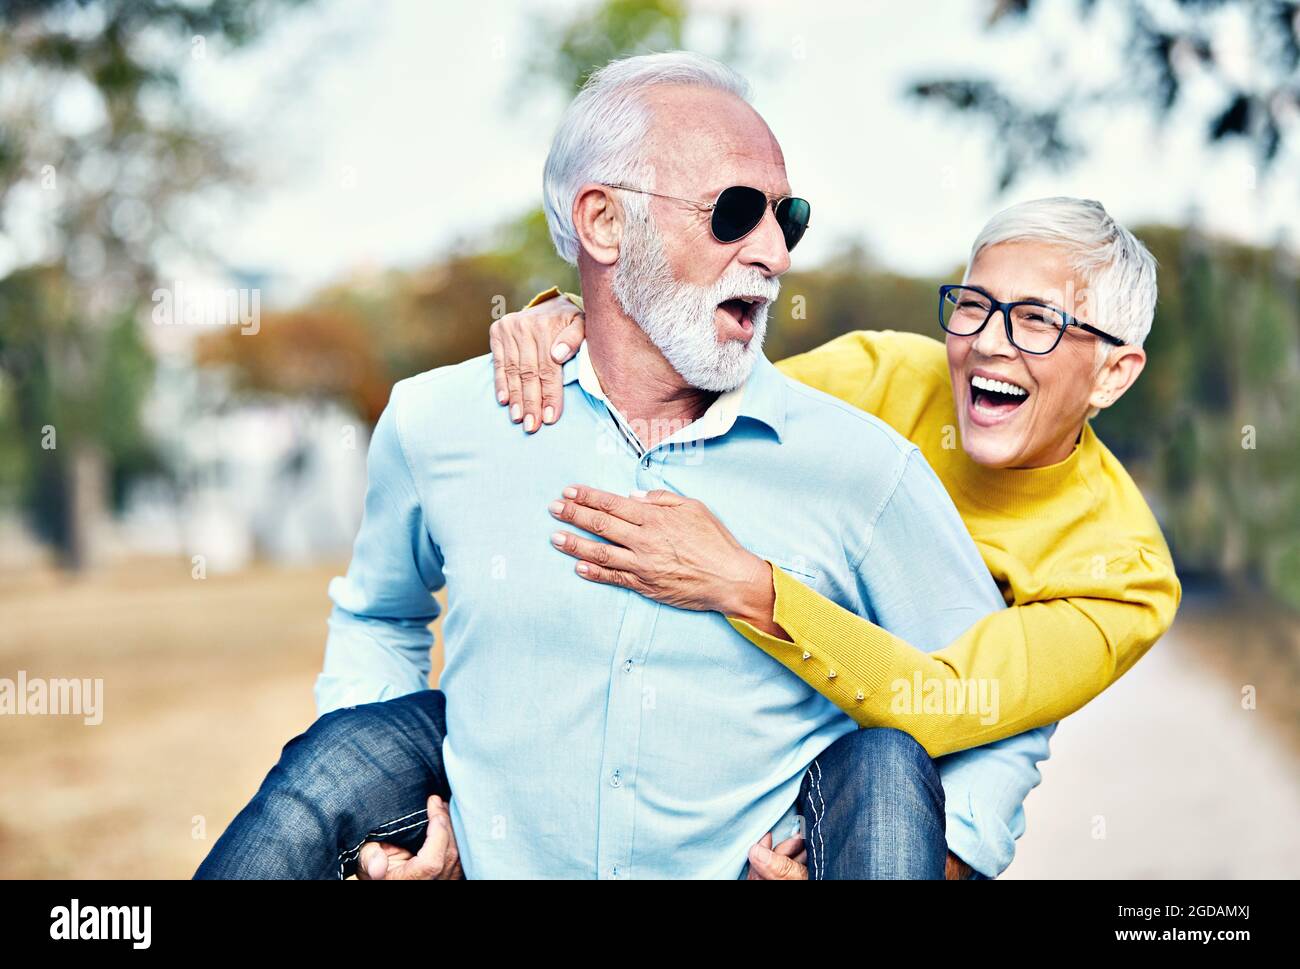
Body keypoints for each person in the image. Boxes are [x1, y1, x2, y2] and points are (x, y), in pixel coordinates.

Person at [196, 51, 1053, 880]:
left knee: (889, 759)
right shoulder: (437, 424)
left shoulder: (861, 468)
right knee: (340, 755)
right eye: (735, 211)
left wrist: (942, 858)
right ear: (604, 221)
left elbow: (995, 701)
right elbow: (381, 617)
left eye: (786, 219)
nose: (775, 253)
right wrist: (416, 819)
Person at [488, 196, 1180, 877]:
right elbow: (689, 416)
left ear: (1113, 374)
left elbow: (947, 707)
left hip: (878, 807)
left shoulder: (1123, 576)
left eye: (1038, 321)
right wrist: (572, 321)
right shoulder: (882, 376)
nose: (989, 342)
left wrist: (751, 588)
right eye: (975, 305)